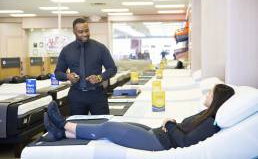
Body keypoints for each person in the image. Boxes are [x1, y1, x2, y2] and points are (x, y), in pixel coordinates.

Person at [44, 84, 234, 151]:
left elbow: (185, 142)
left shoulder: (211, 123)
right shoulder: (206, 115)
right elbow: (187, 130)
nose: (207, 94)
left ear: (217, 99)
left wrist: (170, 124)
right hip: (158, 134)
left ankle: (62, 123)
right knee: (118, 123)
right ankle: (61, 133)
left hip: (158, 143)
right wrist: (173, 124)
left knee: (108, 128)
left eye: (211, 93)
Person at [54, 18, 117, 115]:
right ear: (74, 32)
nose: (85, 34)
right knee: (77, 127)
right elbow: (58, 73)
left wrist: (100, 77)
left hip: (97, 95)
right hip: (76, 96)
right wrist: (68, 76)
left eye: (87, 30)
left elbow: (112, 69)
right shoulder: (67, 50)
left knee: (102, 126)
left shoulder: (100, 48)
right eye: (80, 32)